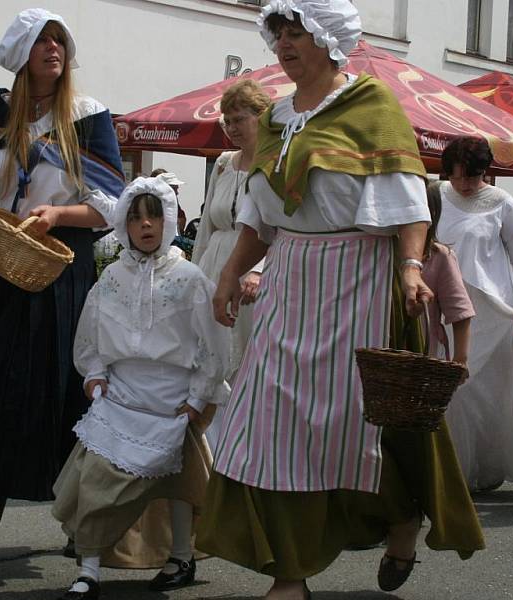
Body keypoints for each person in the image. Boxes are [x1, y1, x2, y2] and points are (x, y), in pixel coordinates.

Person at [196, 3, 484, 599]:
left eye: (295, 33)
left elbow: (408, 205)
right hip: (289, 281)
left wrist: (410, 267)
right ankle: (290, 573)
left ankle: (402, 517)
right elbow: (258, 220)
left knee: (349, 428)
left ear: (328, 39)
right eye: (278, 34)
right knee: (266, 423)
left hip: (357, 282)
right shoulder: (275, 118)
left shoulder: (372, 106)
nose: (283, 44)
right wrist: (228, 276)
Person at [0, 9, 125, 595]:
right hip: (3, 265)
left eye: (59, 40)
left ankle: (77, 528)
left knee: (67, 394)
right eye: (41, 41)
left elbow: (111, 205)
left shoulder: (88, 118)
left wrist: (59, 214)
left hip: (62, 268)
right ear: (21, 55)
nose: (53, 49)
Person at [51, 176, 230, 600]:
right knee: (97, 483)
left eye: (154, 215)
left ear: (168, 219)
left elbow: (212, 342)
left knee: (179, 484)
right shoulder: (112, 277)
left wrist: (196, 398)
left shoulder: (189, 278)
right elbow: (91, 333)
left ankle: (182, 556)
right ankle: (90, 567)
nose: (145, 225)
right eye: (135, 218)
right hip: (121, 398)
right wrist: (94, 373)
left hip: (174, 399)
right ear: (124, 225)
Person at [435, 136, 513, 491]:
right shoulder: (435, 195)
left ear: (485, 173)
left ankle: (490, 465)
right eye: (458, 176)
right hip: (445, 306)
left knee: (489, 393)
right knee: (454, 391)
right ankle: (455, 469)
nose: (465, 184)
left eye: (472, 177)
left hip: (494, 312)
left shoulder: (502, 203)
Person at [191, 79, 268, 449]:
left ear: (261, 117)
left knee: (245, 360)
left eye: (239, 119)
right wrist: (191, 275)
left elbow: (279, 228)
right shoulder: (223, 163)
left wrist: (258, 270)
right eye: (227, 122)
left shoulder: (276, 164)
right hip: (213, 266)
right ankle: (209, 447)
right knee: (208, 353)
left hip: (255, 274)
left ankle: (244, 445)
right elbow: (206, 227)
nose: (233, 128)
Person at [421, 180, 473, 364]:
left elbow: (460, 312)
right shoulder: (384, 249)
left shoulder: (440, 256)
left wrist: (460, 359)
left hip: (425, 355)